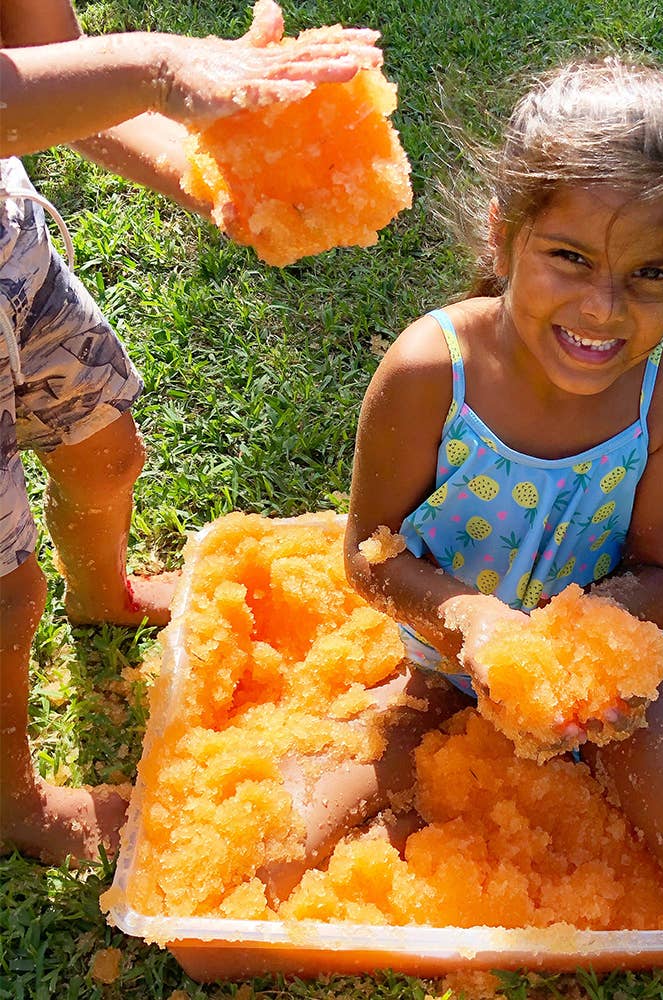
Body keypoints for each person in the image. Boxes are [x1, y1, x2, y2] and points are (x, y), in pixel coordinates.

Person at [343, 57, 663, 923]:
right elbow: (369, 556)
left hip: (606, 662)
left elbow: (659, 573)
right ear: (503, 237)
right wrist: (472, 621)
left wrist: (585, 645)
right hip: (446, 662)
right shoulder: (430, 372)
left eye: (651, 275)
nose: (604, 310)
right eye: (570, 258)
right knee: (281, 846)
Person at [0, 0, 381, 864]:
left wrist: (210, 176)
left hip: (11, 253)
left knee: (105, 453)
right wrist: (158, 67)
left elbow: (52, 57)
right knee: (5, 591)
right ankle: (11, 798)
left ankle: (102, 597)